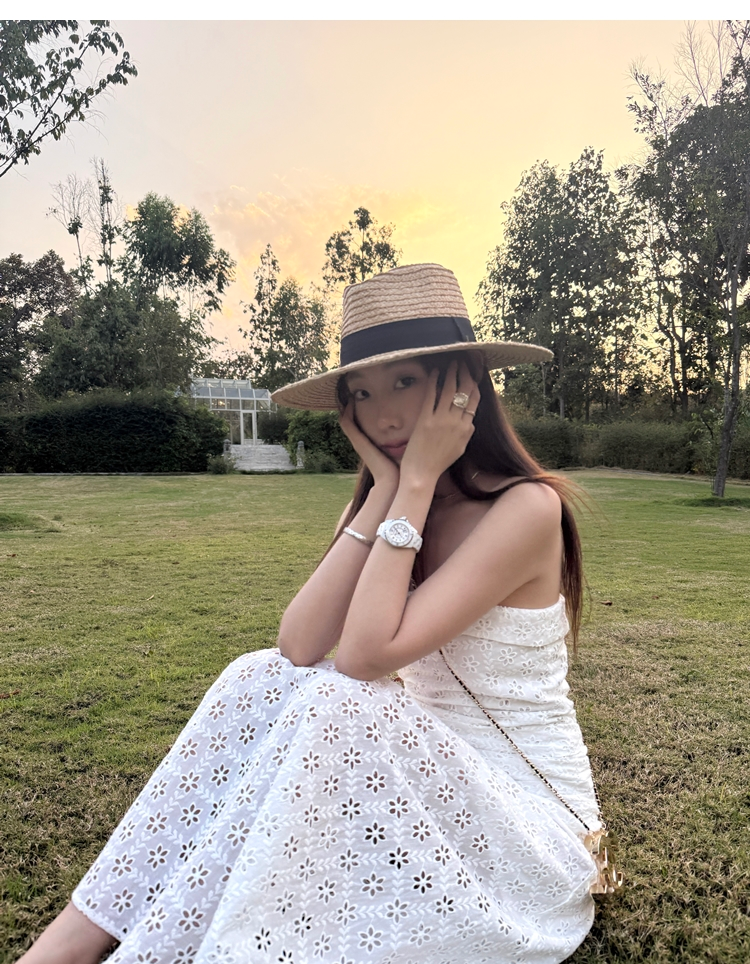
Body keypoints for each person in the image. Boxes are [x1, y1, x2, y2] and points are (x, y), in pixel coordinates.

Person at [20, 263, 609, 964]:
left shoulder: (527, 509)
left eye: (405, 381)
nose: (384, 415)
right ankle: (66, 945)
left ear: (462, 386)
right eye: (361, 393)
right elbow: (299, 644)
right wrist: (386, 490)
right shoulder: (393, 502)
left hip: (530, 830)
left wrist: (414, 482)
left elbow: (361, 658)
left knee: (341, 698)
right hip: (421, 786)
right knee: (254, 674)